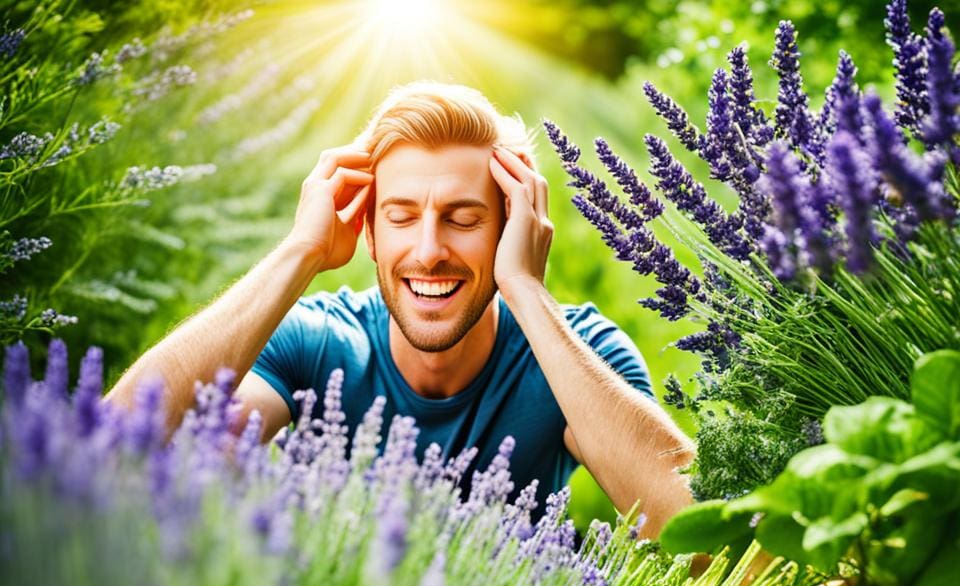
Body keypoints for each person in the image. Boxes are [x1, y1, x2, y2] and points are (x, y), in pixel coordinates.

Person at [108, 82, 694, 536]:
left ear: (511, 229)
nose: (429, 250)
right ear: (368, 232)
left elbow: (704, 546)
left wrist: (526, 291)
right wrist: (300, 253)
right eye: (401, 216)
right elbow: (104, 453)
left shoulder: (578, 355)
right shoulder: (314, 344)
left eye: (464, 219)